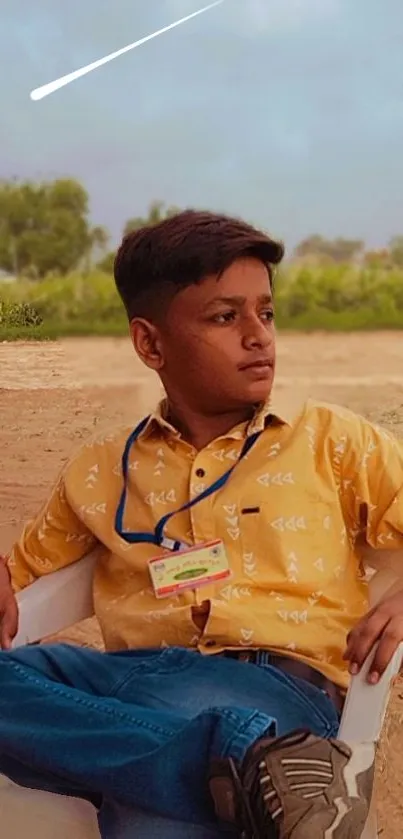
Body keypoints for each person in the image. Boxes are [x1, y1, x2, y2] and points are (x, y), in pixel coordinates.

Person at [1, 210, 403, 839]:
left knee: (153, 818)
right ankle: (243, 763)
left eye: (265, 313)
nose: (258, 336)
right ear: (150, 343)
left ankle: (228, 752)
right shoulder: (102, 468)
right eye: (224, 316)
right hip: (129, 679)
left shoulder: (331, 439)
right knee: (184, 766)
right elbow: (19, 573)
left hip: (274, 685)